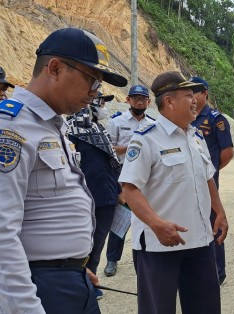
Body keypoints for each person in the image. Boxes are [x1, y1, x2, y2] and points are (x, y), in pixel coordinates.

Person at [0, 27, 127, 314]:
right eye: (92, 80)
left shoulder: (51, 124)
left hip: (72, 279)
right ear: (55, 68)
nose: (96, 93)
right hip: (40, 288)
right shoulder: (11, 127)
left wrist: (74, 266)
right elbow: (2, 235)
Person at [118, 71, 229, 314]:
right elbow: (129, 189)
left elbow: (208, 177)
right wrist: (157, 224)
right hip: (160, 246)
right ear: (169, 101)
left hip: (200, 241)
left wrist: (219, 211)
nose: (195, 101)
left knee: (206, 308)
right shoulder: (146, 139)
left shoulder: (196, 136)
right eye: (189, 95)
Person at [67, 92, 121, 300]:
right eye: (100, 102)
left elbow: (112, 162)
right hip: (83, 199)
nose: (103, 106)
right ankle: (80, 285)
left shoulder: (99, 129)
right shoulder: (70, 131)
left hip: (107, 197)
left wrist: (119, 189)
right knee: (82, 244)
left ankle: (93, 281)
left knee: (98, 243)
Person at [103, 84, 153, 277]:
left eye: (143, 99)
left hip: (146, 176)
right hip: (123, 174)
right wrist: (130, 146)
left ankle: (148, 257)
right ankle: (112, 260)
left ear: (148, 102)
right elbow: (109, 149)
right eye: (135, 98)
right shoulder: (117, 122)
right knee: (121, 220)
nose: (139, 102)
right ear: (128, 100)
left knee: (148, 217)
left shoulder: (153, 124)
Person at [189, 76, 234, 286]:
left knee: (214, 222)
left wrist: (211, 171)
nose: (192, 97)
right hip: (188, 182)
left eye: (195, 92)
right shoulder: (186, 117)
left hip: (208, 182)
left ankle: (218, 272)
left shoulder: (216, 118)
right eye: (188, 93)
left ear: (204, 93)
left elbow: (227, 152)